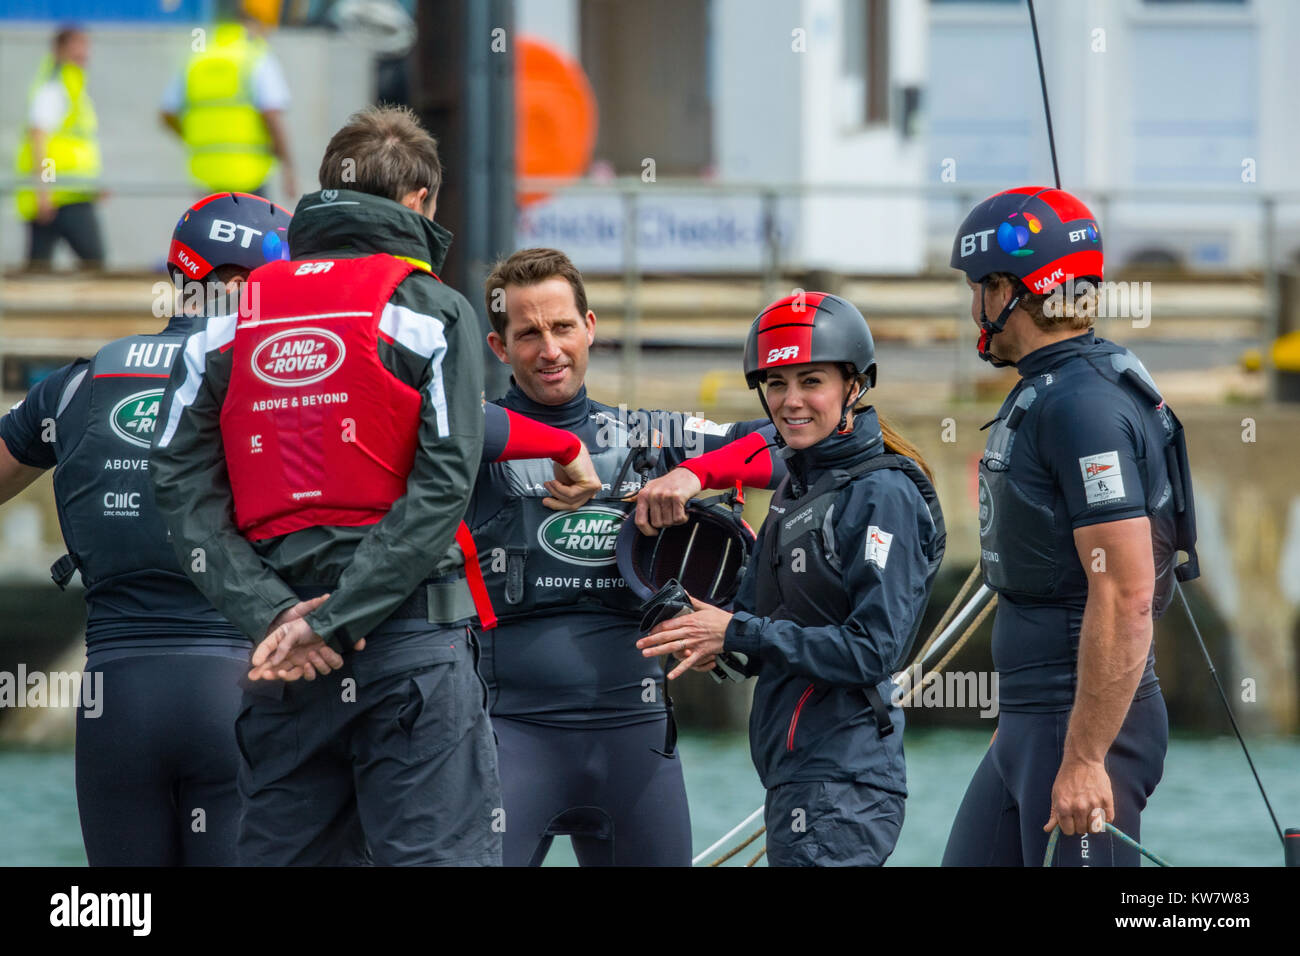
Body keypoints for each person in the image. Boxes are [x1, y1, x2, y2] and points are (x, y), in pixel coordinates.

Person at [149, 107, 598, 866]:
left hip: (280, 660)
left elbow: (177, 483)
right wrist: (338, 619)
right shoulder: (432, 311)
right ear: (420, 200)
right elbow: (445, 480)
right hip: (407, 651)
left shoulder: (230, 318)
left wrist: (277, 617)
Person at [468, 246, 789, 866]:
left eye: (562, 327)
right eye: (528, 333)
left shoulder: (644, 436)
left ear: (590, 327)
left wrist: (692, 475)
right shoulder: (469, 441)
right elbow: (414, 417)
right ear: (499, 347)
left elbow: (782, 444)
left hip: (633, 742)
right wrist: (560, 448)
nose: (550, 349)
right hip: (507, 739)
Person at [0, 192, 291, 865]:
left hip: (115, 701)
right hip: (237, 689)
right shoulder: (274, 384)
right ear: (241, 287)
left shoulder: (75, 385)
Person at [635, 292, 946, 867]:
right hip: (796, 776)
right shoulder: (796, 489)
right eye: (777, 384)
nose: (791, 400)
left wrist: (738, 634)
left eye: (811, 381)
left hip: (844, 785)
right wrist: (711, 636)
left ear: (854, 386)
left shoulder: (882, 494)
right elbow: (758, 632)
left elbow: (873, 651)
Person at [940, 186, 1199, 867]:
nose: (974, 308)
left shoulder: (1083, 405)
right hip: (1034, 721)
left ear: (1010, 291)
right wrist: (1024, 719)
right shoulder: (1055, 384)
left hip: (1083, 731)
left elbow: (1126, 594)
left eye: (979, 288)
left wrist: (1084, 755)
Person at [160, 4, 296, 200]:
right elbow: (272, 114)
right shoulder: (256, 55)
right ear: (249, 21)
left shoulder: (197, 57)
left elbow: (167, 114)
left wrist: (198, 138)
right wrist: (288, 167)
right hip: (250, 175)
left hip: (207, 177)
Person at [14, 25, 104, 271]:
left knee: (38, 267)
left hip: (69, 192)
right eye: (77, 45)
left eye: (86, 45)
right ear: (59, 50)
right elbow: (39, 138)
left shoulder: (72, 86)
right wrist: (43, 191)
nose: (84, 52)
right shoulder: (55, 88)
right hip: (61, 196)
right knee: (95, 264)